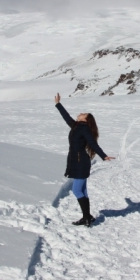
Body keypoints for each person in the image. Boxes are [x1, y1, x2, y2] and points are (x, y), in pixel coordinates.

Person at [54, 93, 115, 227]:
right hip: (77, 161)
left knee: (77, 191)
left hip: (80, 162)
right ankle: (87, 217)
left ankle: (87, 217)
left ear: (86, 120)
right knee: (83, 191)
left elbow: (92, 143)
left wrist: (103, 155)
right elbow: (66, 117)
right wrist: (58, 104)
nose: (81, 113)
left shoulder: (84, 129)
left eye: (84, 113)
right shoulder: (77, 126)